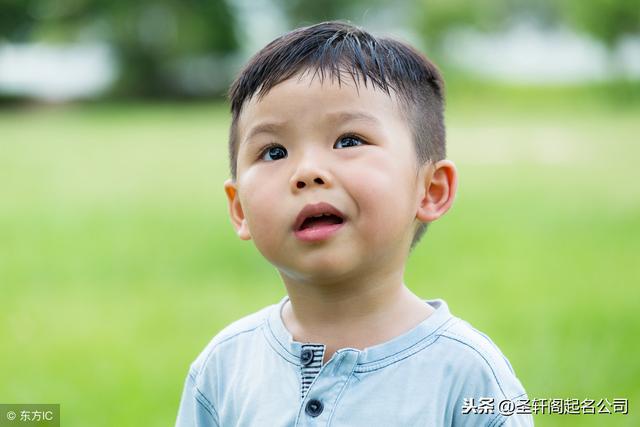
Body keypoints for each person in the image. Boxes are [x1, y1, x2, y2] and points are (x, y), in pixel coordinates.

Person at [175, 21, 533, 426]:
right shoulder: (225, 367)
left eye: (348, 141)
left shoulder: (469, 376)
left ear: (431, 190)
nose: (307, 171)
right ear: (239, 208)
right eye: (274, 152)